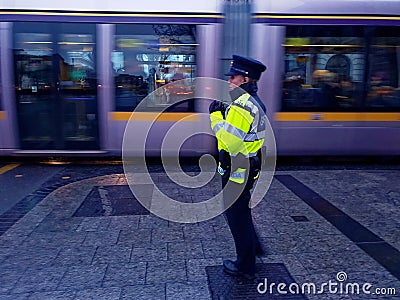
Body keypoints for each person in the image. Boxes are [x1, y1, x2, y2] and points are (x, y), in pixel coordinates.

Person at [209, 55, 267, 280]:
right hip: (248, 163)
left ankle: (245, 265)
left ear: (245, 79)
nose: (230, 81)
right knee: (241, 210)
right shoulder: (254, 100)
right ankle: (254, 248)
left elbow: (231, 142)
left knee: (236, 215)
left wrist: (215, 118)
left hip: (237, 166)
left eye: (233, 77)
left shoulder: (242, 104)